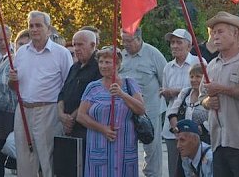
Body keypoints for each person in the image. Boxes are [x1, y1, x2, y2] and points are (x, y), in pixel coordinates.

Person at [9, 11, 73, 177]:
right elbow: (13, 85)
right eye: (31, 25)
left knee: (47, 160)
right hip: (23, 110)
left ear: (49, 29)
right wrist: (12, 80)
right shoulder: (21, 52)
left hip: (48, 110)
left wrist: (63, 114)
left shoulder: (61, 53)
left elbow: (68, 87)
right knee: (24, 159)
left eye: (38, 25)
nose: (34, 29)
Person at [200, 11, 239, 177]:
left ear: (235, 34)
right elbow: (202, 99)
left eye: (220, 32)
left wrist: (222, 89)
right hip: (217, 142)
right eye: (213, 33)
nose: (215, 37)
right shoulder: (212, 65)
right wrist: (208, 101)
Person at [76, 46, 146, 176]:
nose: (103, 66)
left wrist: (122, 94)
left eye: (107, 62)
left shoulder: (130, 84)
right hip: (99, 145)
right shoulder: (93, 87)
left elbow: (141, 109)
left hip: (125, 146)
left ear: (118, 64)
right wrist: (102, 128)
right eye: (101, 62)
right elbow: (81, 116)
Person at [119, 27, 167, 177]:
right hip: (126, 111)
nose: (125, 44)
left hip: (150, 111)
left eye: (129, 41)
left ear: (139, 39)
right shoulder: (121, 56)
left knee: (152, 150)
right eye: (123, 40)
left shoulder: (153, 54)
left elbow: (164, 81)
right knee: (126, 148)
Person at [57, 30, 102, 168]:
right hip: (68, 126)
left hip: (86, 128)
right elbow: (63, 93)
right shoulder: (75, 67)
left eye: (80, 45)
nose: (76, 49)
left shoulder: (99, 67)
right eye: (75, 45)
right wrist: (61, 115)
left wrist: (71, 118)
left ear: (92, 45)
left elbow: (93, 97)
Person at [161, 28, 201, 176]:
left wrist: (174, 91)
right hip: (172, 127)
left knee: (196, 168)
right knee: (175, 170)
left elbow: (203, 89)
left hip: (195, 126)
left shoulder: (199, 63)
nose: (174, 46)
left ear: (189, 46)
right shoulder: (168, 67)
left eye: (179, 42)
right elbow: (166, 97)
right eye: (172, 42)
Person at [0, 29, 30, 177]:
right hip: (0, 115)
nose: (23, 47)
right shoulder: (4, 60)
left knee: (18, 157)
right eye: (20, 44)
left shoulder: (32, 64)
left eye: (27, 44)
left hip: (19, 114)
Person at [167, 63, 209, 144]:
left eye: (198, 76)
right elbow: (172, 112)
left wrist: (198, 129)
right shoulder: (185, 92)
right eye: (191, 76)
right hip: (184, 140)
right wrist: (177, 129)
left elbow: (213, 119)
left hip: (205, 141)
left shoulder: (210, 96)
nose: (193, 80)